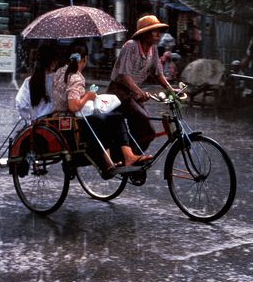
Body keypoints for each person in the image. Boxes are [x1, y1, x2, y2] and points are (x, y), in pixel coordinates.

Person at [51, 43, 151, 170]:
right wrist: (88, 96)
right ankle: (125, 156)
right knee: (114, 118)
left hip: (62, 116)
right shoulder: (75, 77)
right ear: (85, 59)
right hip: (74, 121)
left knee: (108, 117)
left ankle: (122, 157)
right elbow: (73, 106)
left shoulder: (61, 71)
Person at [107, 15, 178, 151]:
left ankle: (133, 157)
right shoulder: (131, 46)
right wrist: (138, 92)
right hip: (118, 93)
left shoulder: (153, 49)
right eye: (154, 31)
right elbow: (123, 75)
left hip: (132, 93)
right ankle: (130, 156)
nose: (158, 34)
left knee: (148, 132)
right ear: (145, 34)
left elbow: (158, 73)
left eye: (158, 30)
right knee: (143, 121)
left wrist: (170, 90)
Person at [15, 45, 61, 123]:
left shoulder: (29, 81)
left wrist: (29, 118)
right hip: (56, 122)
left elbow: (21, 104)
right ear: (53, 63)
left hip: (36, 124)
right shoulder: (60, 80)